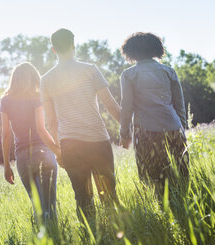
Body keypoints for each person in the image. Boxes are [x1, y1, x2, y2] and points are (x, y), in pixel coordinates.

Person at [40, 28, 121, 219]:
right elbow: (110, 104)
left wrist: (58, 150)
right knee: (108, 196)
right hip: (97, 140)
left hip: (70, 144)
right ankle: (116, 237)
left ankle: (90, 237)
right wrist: (127, 129)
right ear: (73, 46)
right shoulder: (90, 70)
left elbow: (51, 120)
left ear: (53, 50)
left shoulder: (46, 80)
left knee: (83, 199)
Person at [119, 32, 189, 194]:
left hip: (146, 131)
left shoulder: (128, 75)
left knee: (151, 178)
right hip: (174, 128)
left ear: (131, 52)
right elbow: (180, 105)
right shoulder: (168, 71)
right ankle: (182, 210)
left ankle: (161, 213)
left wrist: (124, 133)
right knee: (180, 175)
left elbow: (127, 106)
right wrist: (182, 128)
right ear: (156, 49)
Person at [0, 62, 61, 220]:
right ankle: (55, 238)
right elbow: (41, 129)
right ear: (34, 77)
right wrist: (58, 152)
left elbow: (6, 135)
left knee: (39, 208)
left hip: (23, 158)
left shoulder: (5, 101)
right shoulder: (36, 97)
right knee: (50, 207)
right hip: (44, 153)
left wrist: (7, 166)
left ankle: (44, 239)